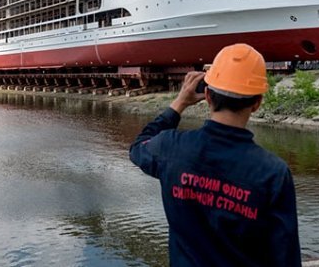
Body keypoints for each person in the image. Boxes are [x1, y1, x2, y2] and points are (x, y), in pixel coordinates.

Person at [129, 43, 301, 266]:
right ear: (257, 103)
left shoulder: (170, 148)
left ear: (208, 96)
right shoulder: (273, 173)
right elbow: (286, 258)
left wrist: (179, 103)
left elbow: (138, 146)